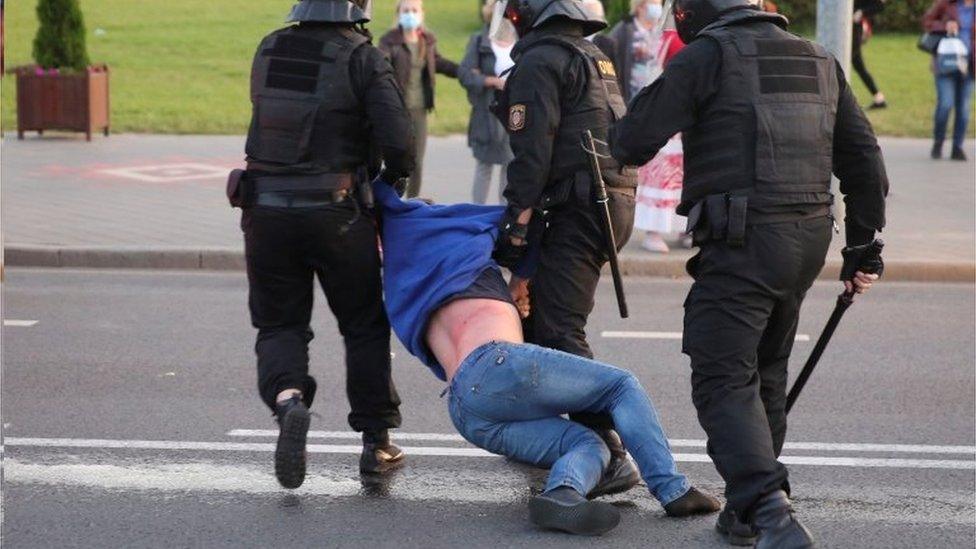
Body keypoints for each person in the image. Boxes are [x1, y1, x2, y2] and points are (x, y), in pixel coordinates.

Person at [611, 1, 889, 547]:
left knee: (722, 374)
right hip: (807, 240)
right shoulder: (819, 57)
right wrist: (863, 250)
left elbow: (631, 142)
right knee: (765, 369)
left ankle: (770, 511)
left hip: (742, 243)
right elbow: (864, 161)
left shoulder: (708, 55)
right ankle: (744, 511)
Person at [370, 178, 720, 536]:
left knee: (588, 443)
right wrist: (518, 281)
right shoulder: (452, 226)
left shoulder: (399, 285)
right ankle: (672, 489)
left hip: (466, 410)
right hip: (497, 363)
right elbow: (526, 220)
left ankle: (562, 495)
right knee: (620, 386)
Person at [239, 0, 415, 487]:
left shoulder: (269, 47)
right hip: (337, 212)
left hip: (265, 211)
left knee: (279, 324)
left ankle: (289, 401)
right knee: (362, 325)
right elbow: (399, 139)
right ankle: (375, 443)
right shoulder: (363, 56)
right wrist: (391, 180)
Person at [490, 0, 640, 492]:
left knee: (556, 328)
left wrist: (516, 226)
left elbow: (532, 157)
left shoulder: (540, 62)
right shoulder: (592, 56)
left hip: (575, 209)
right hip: (603, 204)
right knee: (534, 322)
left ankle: (609, 451)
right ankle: (545, 437)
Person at [607, 0, 685, 253]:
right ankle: (654, 231)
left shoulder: (673, 34)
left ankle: (681, 228)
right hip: (667, 114)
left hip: (681, 115)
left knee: (679, 176)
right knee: (662, 175)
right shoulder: (669, 37)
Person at [379, 0, 459, 197]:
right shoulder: (390, 41)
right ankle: (392, 201)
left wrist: (462, 71)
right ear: (398, 13)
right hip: (396, 110)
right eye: (406, 10)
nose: (410, 14)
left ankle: (412, 204)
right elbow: (381, 64)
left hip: (419, 109)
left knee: (417, 162)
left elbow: (437, 62)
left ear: (422, 13)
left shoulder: (427, 40)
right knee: (396, 159)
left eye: (414, 10)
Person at [459, 0, 515, 205]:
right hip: (486, 113)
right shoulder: (479, 42)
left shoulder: (522, 40)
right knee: (485, 167)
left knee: (509, 168)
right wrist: (491, 81)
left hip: (513, 112)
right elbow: (465, 74)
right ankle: (476, 212)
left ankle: (503, 216)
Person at [923, 0, 975, 161]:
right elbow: (927, 21)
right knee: (945, 105)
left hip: (970, 65)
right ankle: (938, 142)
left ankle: (957, 147)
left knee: (963, 110)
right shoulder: (946, 4)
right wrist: (944, 26)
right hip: (945, 63)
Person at [852, 0, 887, 110]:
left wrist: (861, 12)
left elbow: (880, 5)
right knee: (859, 66)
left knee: (838, 64)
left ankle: (839, 100)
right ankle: (879, 98)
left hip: (853, 31)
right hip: (845, 29)